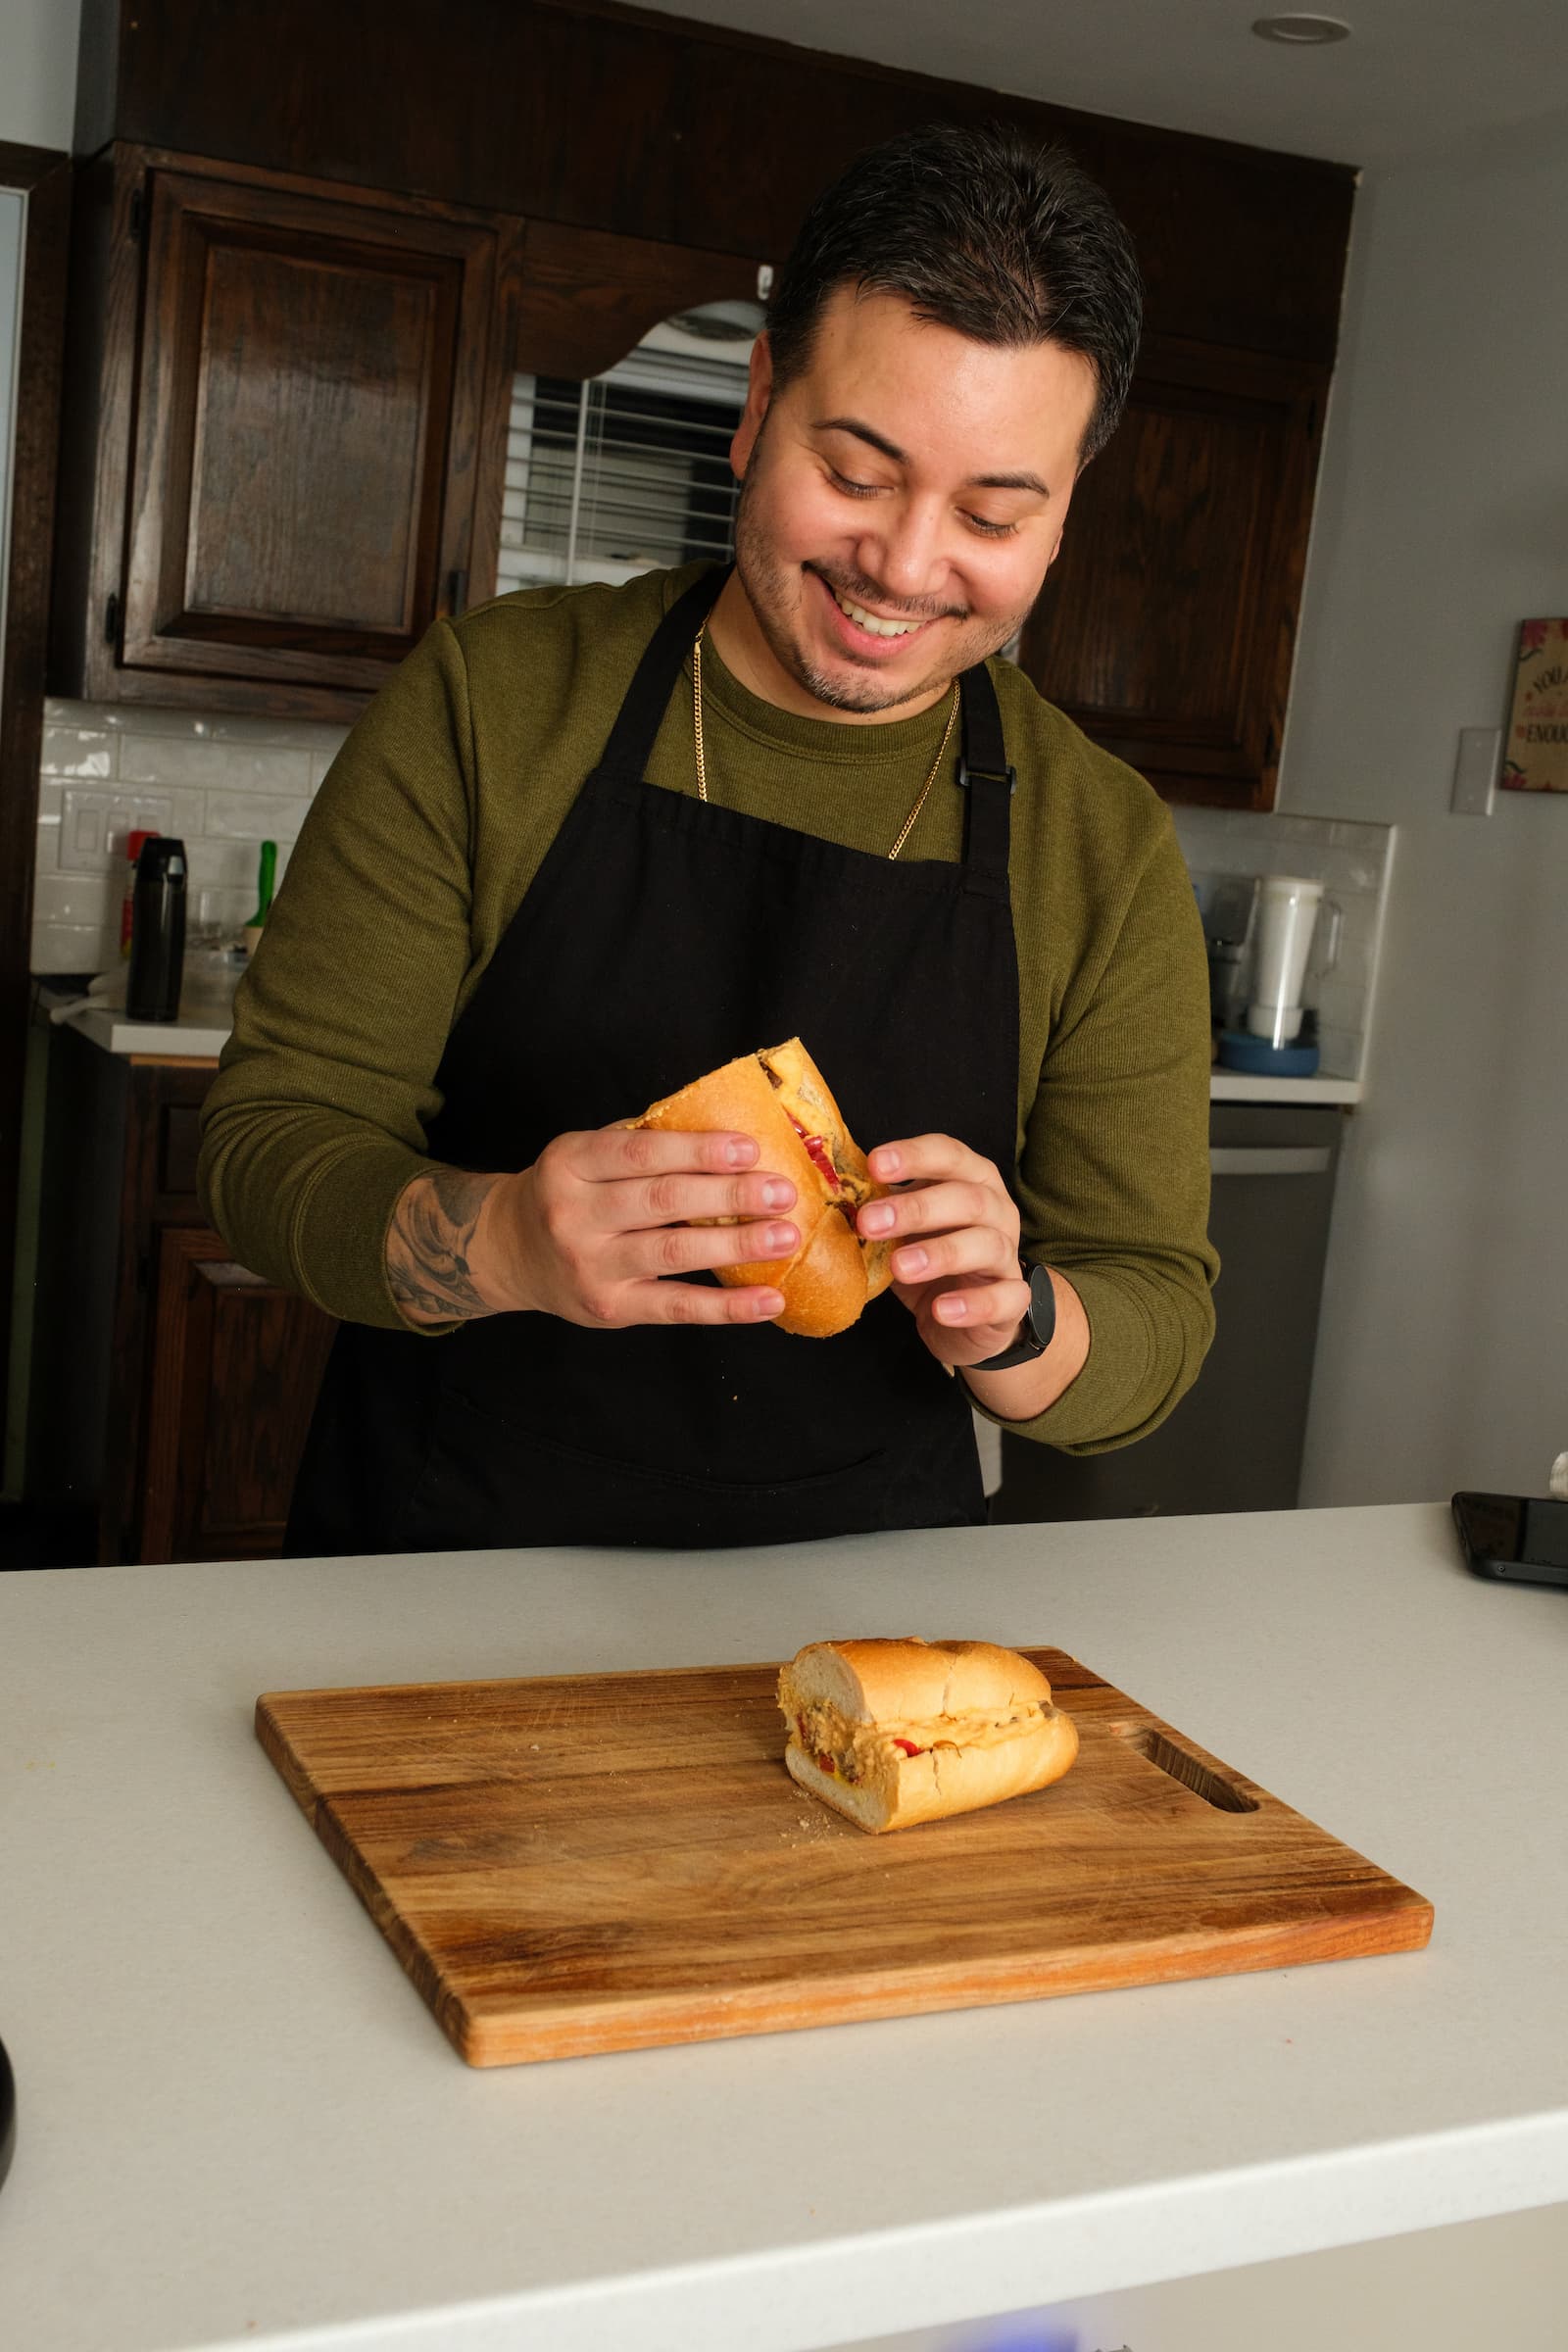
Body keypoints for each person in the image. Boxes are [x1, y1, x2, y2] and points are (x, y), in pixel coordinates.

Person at [198, 121, 1218, 1556]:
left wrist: (1021, 1318)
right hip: (442, 1560)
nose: (904, 566)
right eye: (855, 475)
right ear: (756, 407)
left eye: (992, 514)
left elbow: (1155, 1311)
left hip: (857, 1590)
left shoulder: (1098, 842)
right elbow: (266, 1143)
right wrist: (500, 1241)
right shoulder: (499, 699)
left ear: (1060, 519)